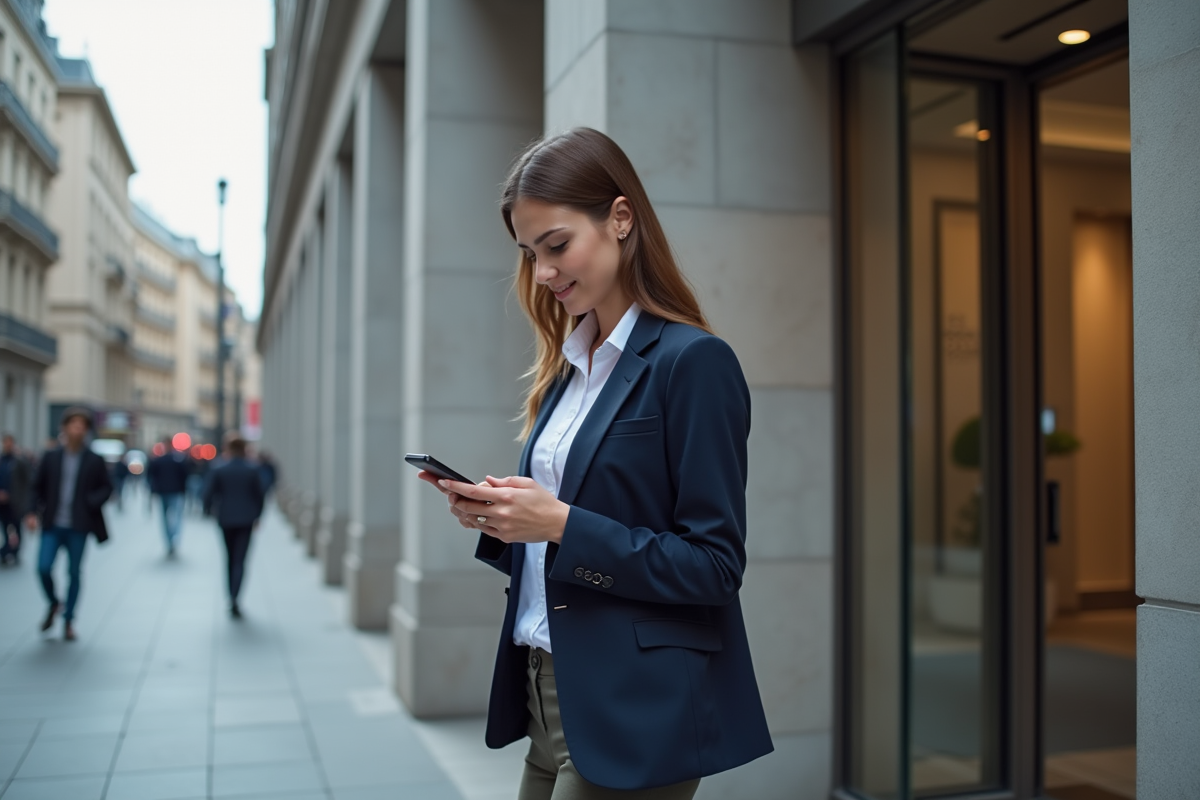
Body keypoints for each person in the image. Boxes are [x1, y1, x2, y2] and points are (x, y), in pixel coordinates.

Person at [416, 128, 772, 799]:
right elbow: (579, 527)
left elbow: (714, 566)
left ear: (620, 218)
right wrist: (503, 520)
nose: (543, 272)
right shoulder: (565, 372)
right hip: (546, 693)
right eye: (529, 254)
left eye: (555, 246)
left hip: (633, 704)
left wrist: (557, 523)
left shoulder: (692, 364)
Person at [25, 407, 112, 641]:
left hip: (79, 525)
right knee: (43, 568)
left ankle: (69, 620)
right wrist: (31, 513)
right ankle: (55, 603)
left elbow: (107, 487)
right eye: (74, 424)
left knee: (74, 573)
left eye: (82, 426)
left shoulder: (94, 459)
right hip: (53, 523)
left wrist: (90, 502)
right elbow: (37, 486)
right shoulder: (51, 456)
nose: (78, 429)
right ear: (64, 428)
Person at [203, 432, 265, 619]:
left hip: (226, 518)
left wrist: (208, 511)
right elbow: (260, 496)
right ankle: (236, 596)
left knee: (229, 558)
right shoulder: (252, 469)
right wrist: (257, 517)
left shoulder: (220, 468)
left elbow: (208, 493)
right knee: (240, 559)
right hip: (246, 519)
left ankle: (231, 595)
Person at [146, 437, 189, 557]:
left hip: (166, 492)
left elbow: (151, 476)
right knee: (175, 517)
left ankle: (170, 540)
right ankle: (173, 539)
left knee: (167, 518)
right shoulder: (177, 460)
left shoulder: (160, 460)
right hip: (173, 491)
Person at [0, 433, 31, 566]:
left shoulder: (19, 461)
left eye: (10, 442)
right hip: (2, 503)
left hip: (16, 503)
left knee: (17, 529)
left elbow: (27, 482)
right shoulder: (1, 460)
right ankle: (7, 551)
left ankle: (14, 551)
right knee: (5, 528)